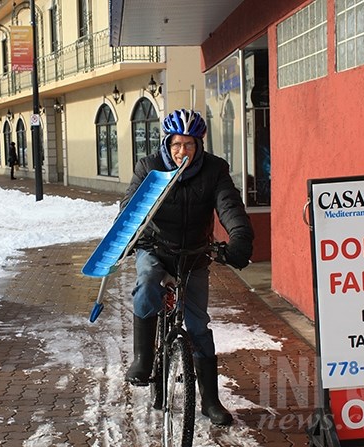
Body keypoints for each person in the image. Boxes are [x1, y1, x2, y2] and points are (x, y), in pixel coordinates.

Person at [122, 109, 254, 426]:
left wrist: (239, 239)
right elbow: (130, 208)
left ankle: (209, 400)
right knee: (148, 283)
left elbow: (230, 207)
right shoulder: (149, 167)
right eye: (177, 144)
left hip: (194, 254)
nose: (183, 152)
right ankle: (143, 359)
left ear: (200, 146)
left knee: (197, 327)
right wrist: (124, 237)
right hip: (155, 248)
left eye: (190, 145)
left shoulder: (214, 171)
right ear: (167, 143)